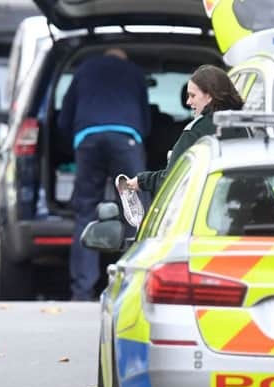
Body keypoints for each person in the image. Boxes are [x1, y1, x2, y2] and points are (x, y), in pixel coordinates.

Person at [57, 48, 151, 301]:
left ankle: (82, 291)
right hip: (125, 139)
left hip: (88, 140)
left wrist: (74, 142)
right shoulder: (134, 72)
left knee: (86, 211)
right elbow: (146, 118)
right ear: (124, 57)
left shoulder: (84, 70)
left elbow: (64, 117)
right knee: (135, 212)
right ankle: (131, 288)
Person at [126, 64, 245, 194]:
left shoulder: (196, 131)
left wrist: (143, 181)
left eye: (192, 96)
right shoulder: (247, 125)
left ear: (210, 95)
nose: (188, 102)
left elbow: (172, 180)